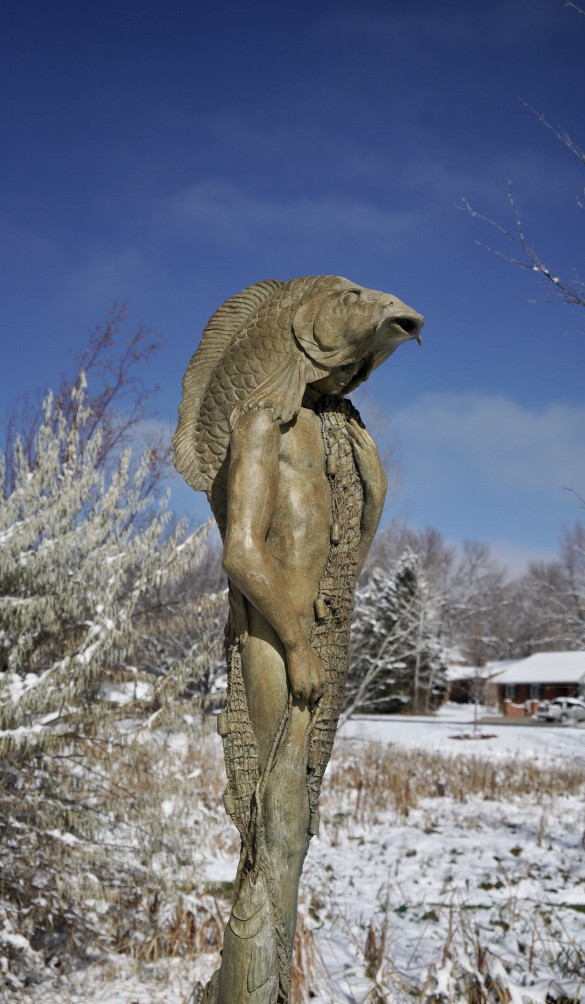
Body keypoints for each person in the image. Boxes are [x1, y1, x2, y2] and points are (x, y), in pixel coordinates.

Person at [173, 276, 422, 1002]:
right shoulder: (261, 425)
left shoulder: (342, 433)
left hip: (319, 640)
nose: (351, 378)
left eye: (360, 370)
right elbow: (243, 552)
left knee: (297, 832)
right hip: (276, 644)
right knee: (274, 834)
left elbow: (355, 535)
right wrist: (298, 641)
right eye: (345, 364)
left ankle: (257, 988)